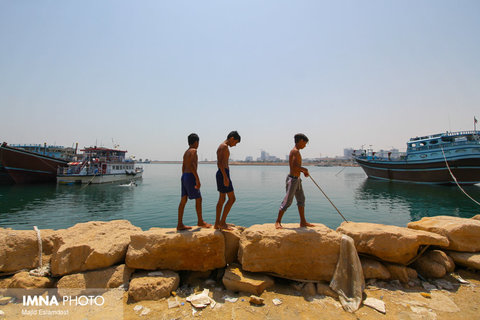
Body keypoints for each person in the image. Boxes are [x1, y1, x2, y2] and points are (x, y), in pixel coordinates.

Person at [275, 133, 315, 229]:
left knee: (301, 199)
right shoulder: (295, 151)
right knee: (287, 201)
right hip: (292, 180)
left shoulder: (297, 152)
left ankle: (303, 222)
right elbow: (294, 167)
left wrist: (302, 171)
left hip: (297, 180)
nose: (305, 145)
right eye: (305, 143)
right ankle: (277, 221)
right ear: (301, 141)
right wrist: (304, 169)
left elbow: (297, 168)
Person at [177, 133, 212, 230]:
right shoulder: (194, 151)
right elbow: (192, 165)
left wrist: (184, 177)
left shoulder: (186, 152)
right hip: (190, 176)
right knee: (199, 199)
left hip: (184, 176)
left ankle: (179, 224)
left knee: (183, 200)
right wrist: (197, 179)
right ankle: (200, 221)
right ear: (196, 142)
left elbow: (183, 166)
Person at [214, 131, 241, 230]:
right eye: (236, 142)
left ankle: (217, 224)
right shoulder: (224, 147)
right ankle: (222, 222)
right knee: (232, 199)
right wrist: (225, 177)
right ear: (232, 138)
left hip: (222, 173)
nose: (235, 145)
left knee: (222, 199)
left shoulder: (222, 146)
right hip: (223, 173)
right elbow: (220, 163)